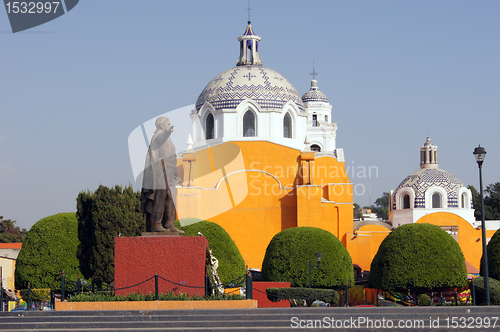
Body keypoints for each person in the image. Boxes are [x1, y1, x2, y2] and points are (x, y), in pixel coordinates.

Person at [141, 117, 184, 233]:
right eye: (167, 124)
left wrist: (175, 172)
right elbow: (161, 138)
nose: (169, 125)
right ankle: (156, 224)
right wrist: (167, 131)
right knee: (160, 196)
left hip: (169, 170)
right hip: (161, 169)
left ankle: (169, 224)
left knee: (169, 198)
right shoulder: (158, 135)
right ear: (161, 125)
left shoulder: (168, 139)